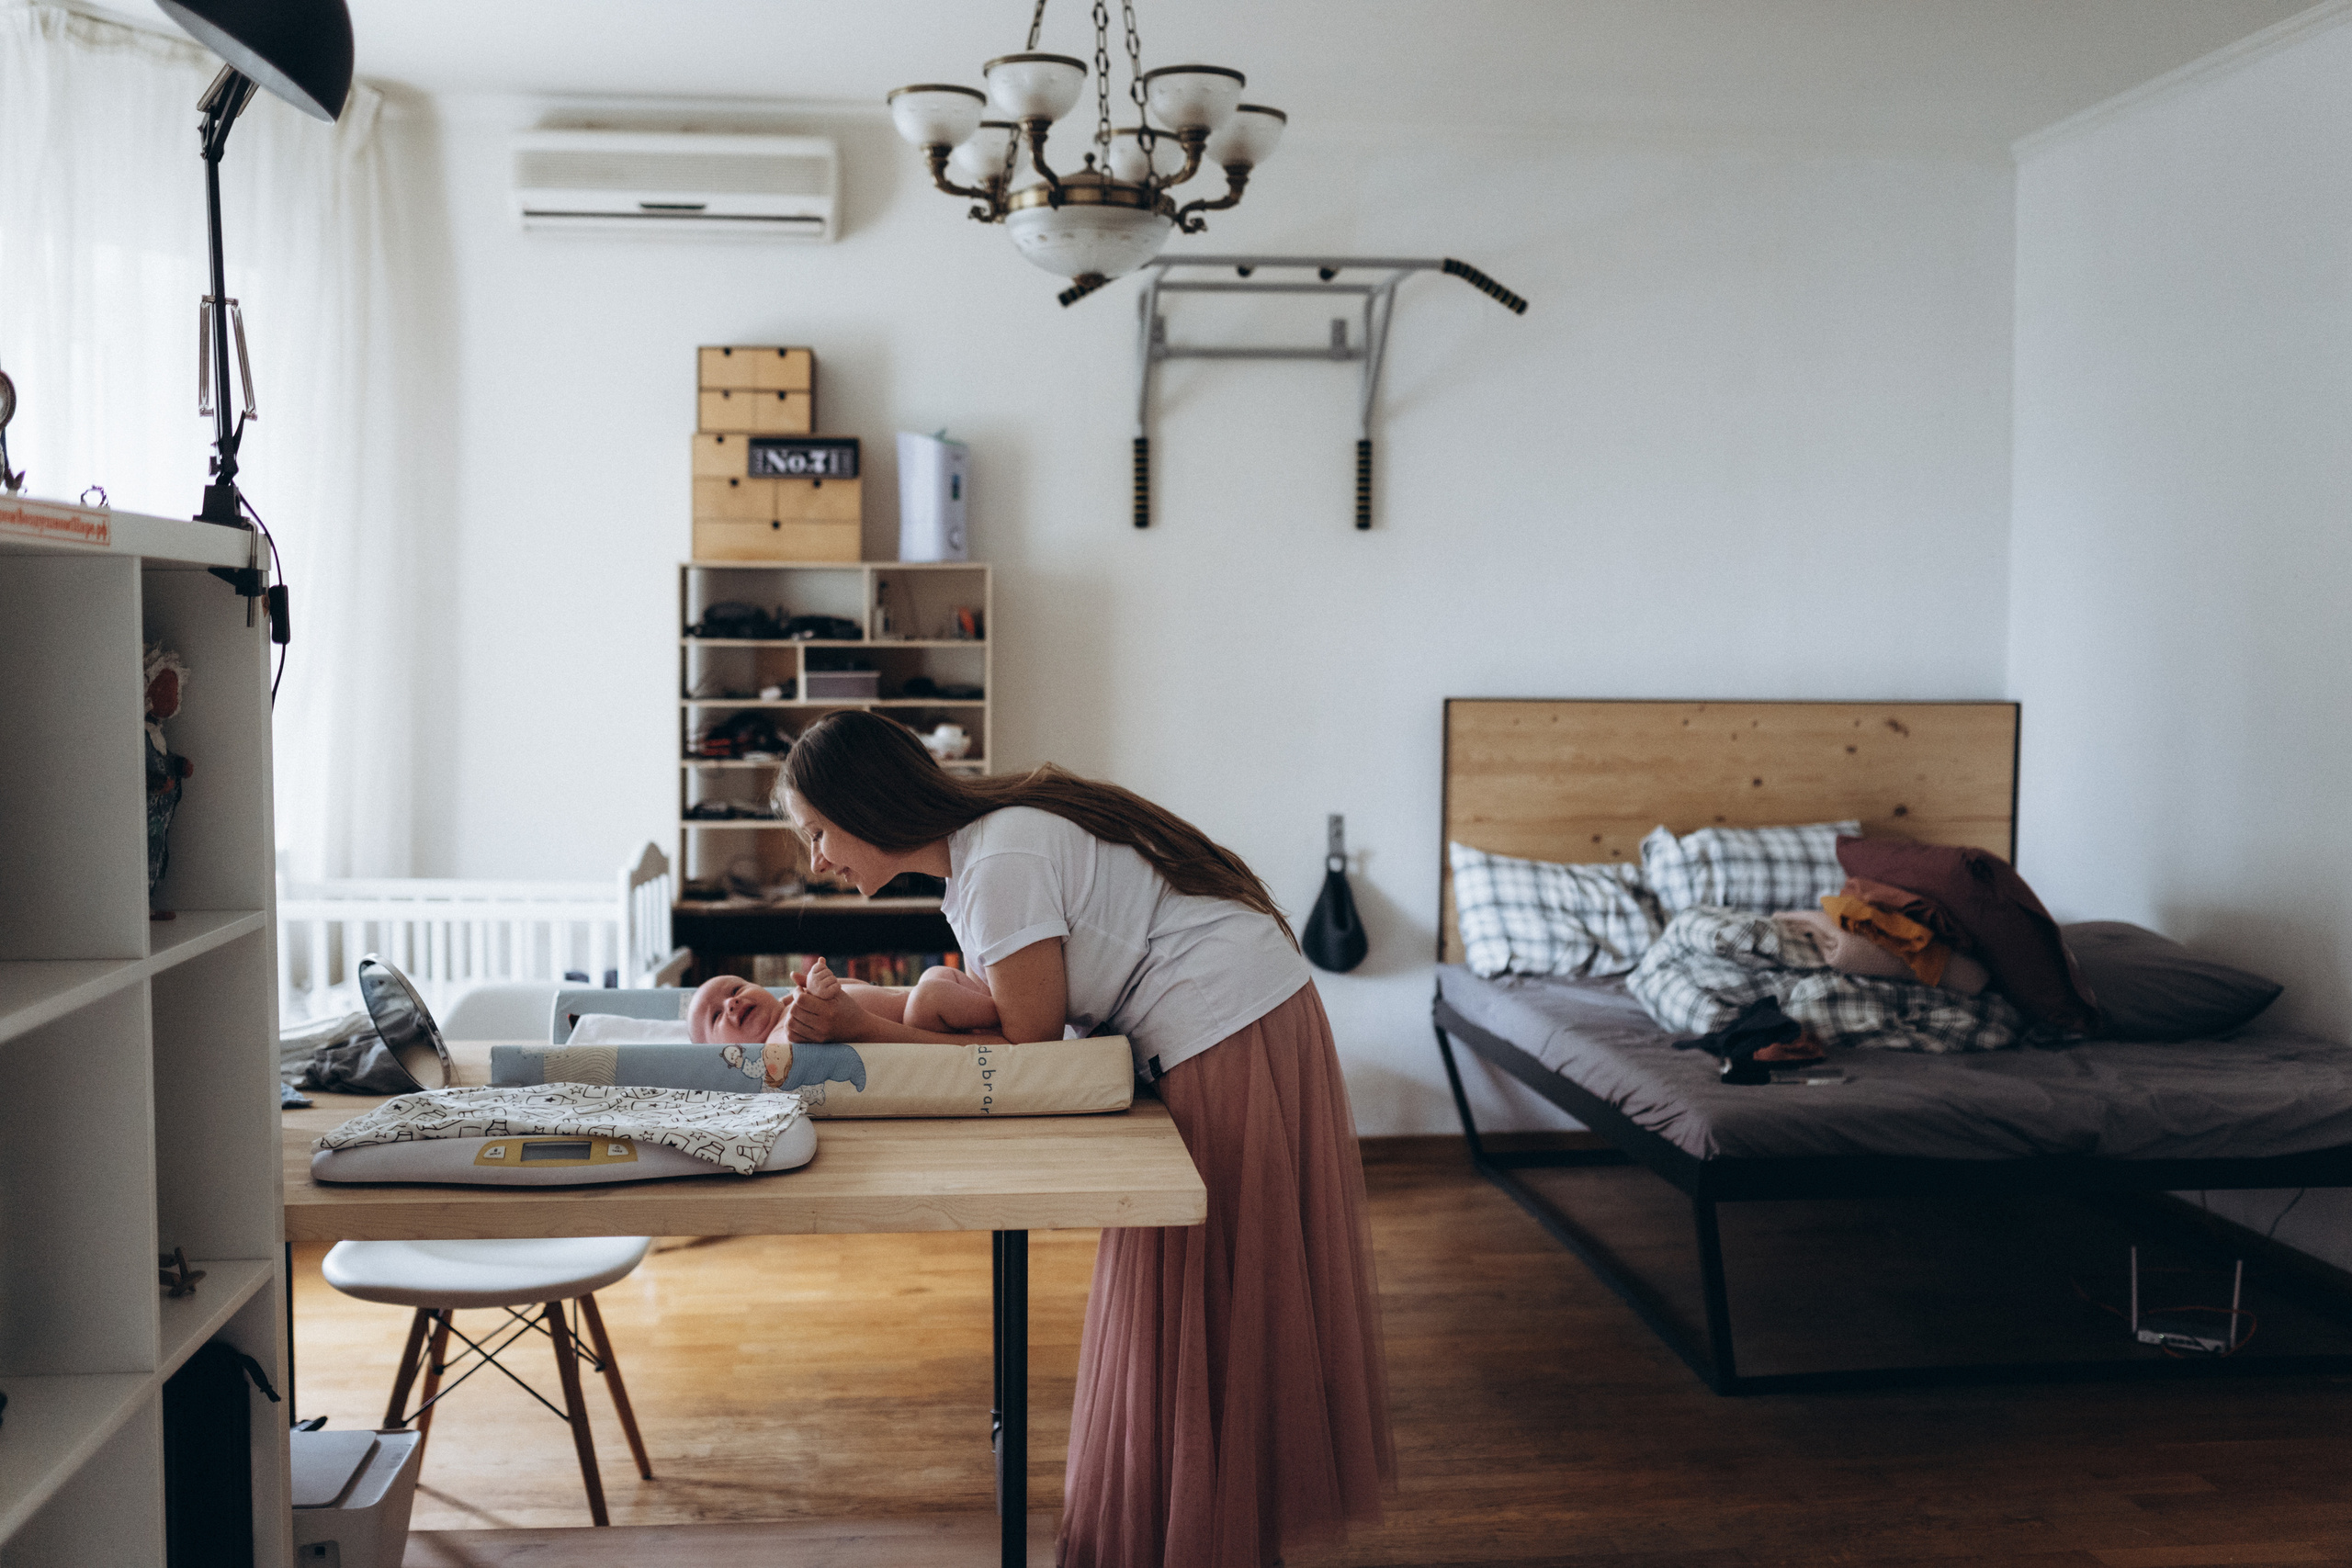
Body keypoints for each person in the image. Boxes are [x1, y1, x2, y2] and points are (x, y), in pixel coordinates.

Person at [770, 709, 1394, 1568]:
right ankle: (1203, 1532)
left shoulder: (998, 864)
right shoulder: (983, 856)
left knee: (1199, 1290)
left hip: (1225, 1028)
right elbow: (1012, 1018)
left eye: (818, 833)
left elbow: (1026, 1057)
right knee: (1195, 1296)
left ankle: (1203, 1537)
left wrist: (868, 1030)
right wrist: (858, 1011)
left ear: (865, 805)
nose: (818, 861)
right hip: (1236, 1020)